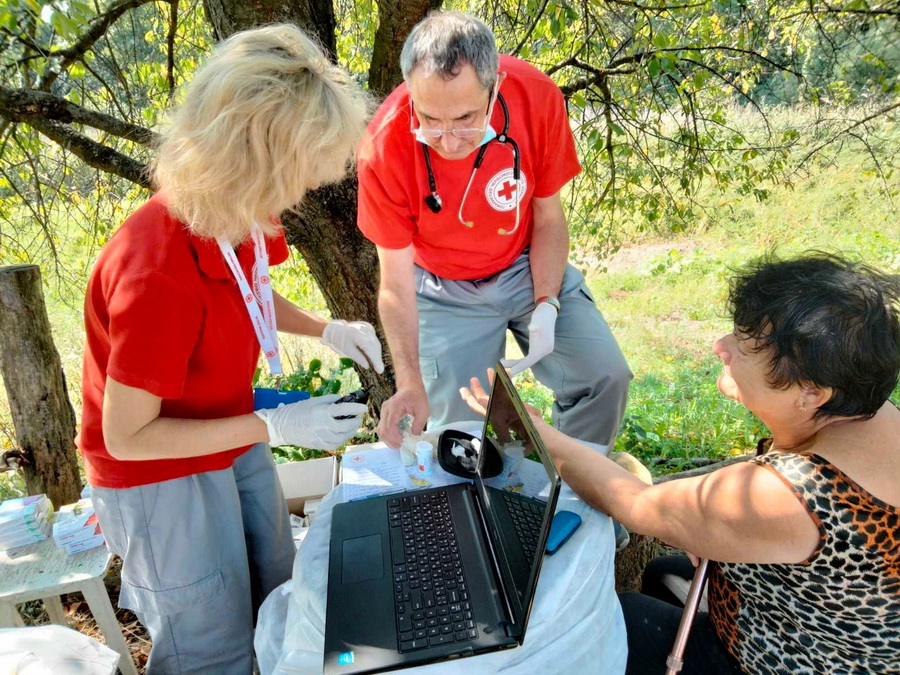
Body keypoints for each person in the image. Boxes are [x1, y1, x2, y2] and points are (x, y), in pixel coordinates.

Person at [77, 25, 381, 674]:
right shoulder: (155, 267)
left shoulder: (238, 212)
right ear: (255, 158)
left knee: (277, 593)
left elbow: (253, 294)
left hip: (229, 429)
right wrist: (272, 422)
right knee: (210, 645)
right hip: (160, 475)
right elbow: (129, 435)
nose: (300, 195)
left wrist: (326, 328)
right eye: (298, 175)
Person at [462, 253, 900, 674]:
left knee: (624, 618)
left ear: (811, 393)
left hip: (790, 659)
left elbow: (638, 505)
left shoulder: (796, 493)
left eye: (745, 347)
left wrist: (545, 438)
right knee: (660, 572)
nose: (720, 346)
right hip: (841, 625)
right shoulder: (872, 410)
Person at [357, 11, 631, 451]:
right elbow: (394, 282)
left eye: (465, 119)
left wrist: (547, 302)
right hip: (443, 288)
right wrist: (408, 382)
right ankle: (494, 511)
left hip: (524, 264)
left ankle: (576, 485)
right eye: (429, 119)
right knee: (461, 433)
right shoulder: (382, 146)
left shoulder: (536, 97)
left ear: (495, 86)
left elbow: (548, 218)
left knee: (605, 377)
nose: (447, 141)